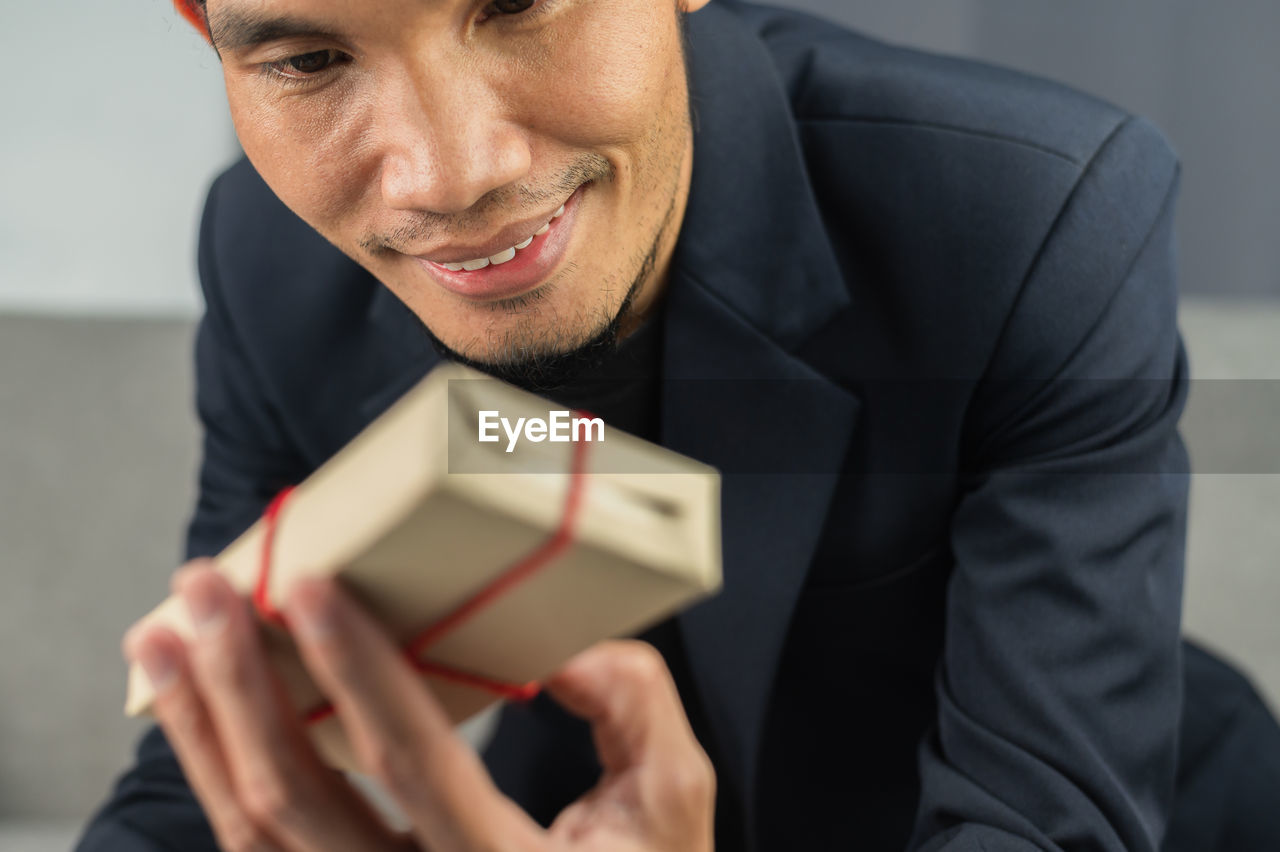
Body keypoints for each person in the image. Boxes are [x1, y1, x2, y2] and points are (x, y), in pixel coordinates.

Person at [80, 0, 1280, 849]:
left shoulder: (1034, 212)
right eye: (303, 58)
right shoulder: (265, 256)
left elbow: (1037, 826)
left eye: (513, 2)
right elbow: (210, 757)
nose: (445, 178)